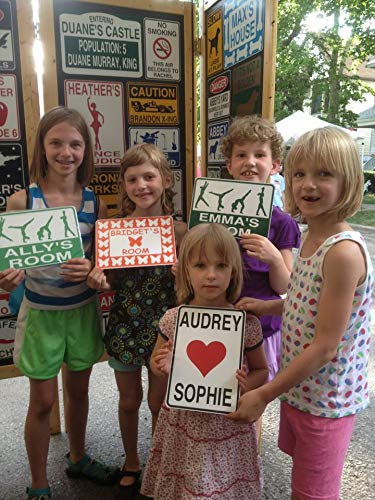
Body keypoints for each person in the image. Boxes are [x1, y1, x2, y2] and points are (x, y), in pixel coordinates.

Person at [230, 127, 373, 500]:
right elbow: (307, 298)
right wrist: (270, 306)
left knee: (313, 493)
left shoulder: (342, 253)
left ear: (350, 181)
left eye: (324, 174)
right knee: (303, 479)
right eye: (299, 174)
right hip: (301, 391)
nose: (308, 184)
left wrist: (264, 394)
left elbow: (326, 345)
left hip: (326, 400)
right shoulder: (312, 236)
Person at [0, 107, 118, 500]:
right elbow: (6, 259)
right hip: (42, 314)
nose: (66, 152)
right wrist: (7, 275)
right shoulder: (22, 201)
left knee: (80, 391)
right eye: (56, 143)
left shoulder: (93, 202)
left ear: (86, 149)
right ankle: (37, 482)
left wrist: (94, 269)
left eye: (75, 143)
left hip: (82, 311)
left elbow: (102, 261)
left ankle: (78, 456)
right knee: (43, 401)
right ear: (42, 147)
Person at [140, 223, 269, 499]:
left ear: (233, 270)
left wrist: (249, 385)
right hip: (183, 426)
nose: (211, 275)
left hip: (228, 425)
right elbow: (155, 363)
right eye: (200, 265)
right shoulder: (173, 319)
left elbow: (261, 370)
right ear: (185, 269)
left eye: (221, 266)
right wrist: (162, 366)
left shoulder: (246, 324)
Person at [87, 143, 187, 494]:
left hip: (165, 331)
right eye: (133, 179)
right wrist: (99, 278)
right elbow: (109, 281)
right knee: (129, 400)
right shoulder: (112, 230)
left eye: (149, 176)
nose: (141, 185)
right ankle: (132, 460)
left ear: (166, 179)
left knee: (159, 403)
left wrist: (181, 275)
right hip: (125, 327)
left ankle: (160, 461)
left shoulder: (179, 231)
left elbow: (191, 289)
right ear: (124, 185)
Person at [220, 115, 301, 380]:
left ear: (275, 165)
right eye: (241, 155)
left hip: (262, 328)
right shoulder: (212, 215)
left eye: (260, 155)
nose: (250, 162)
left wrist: (275, 259)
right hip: (218, 323)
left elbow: (284, 287)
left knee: (253, 398)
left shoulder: (282, 222)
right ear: (229, 165)